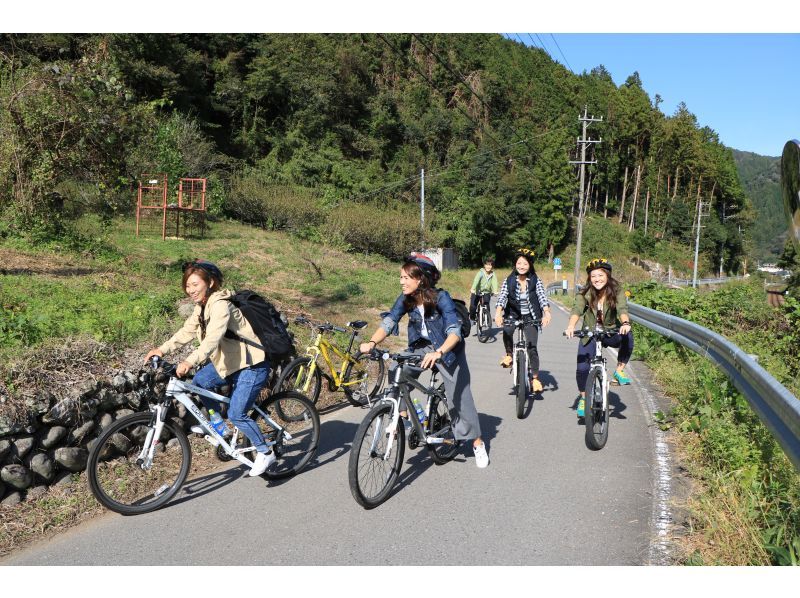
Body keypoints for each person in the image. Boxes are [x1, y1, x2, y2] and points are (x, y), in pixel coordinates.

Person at [144, 259, 275, 477]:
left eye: (195, 284)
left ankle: (265, 450)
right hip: (230, 363)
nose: (190, 290)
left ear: (211, 282)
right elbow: (185, 332)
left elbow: (213, 338)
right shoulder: (201, 307)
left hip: (252, 365)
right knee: (200, 382)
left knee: (237, 413)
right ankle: (217, 425)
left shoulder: (220, 304)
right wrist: (161, 349)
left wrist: (189, 361)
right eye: (187, 285)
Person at [359, 252, 489, 468]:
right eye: (401, 277)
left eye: (406, 278)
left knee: (459, 397)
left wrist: (439, 352)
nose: (401, 282)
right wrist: (372, 342)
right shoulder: (405, 299)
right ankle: (399, 418)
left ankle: (477, 442)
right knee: (397, 371)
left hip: (448, 349)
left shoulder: (441, 298)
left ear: (420, 279)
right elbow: (390, 321)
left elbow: (454, 331)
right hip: (421, 347)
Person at [564, 258, 634, 417]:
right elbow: (577, 310)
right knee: (582, 368)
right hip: (589, 333)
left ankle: (619, 371)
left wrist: (625, 323)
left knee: (627, 335)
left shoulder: (616, 290)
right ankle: (583, 398)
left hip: (609, 331)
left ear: (607, 276)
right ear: (590, 278)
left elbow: (622, 308)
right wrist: (570, 327)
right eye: (593, 276)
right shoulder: (585, 292)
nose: (597, 279)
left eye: (600, 275)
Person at [494, 248, 552, 393]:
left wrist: (546, 313)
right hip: (513, 313)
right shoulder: (509, 280)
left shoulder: (535, 280)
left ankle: (535, 378)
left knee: (532, 347)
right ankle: (509, 355)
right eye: (519, 263)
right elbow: (502, 297)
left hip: (531, 316)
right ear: (515, 264)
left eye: (525, 264)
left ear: (530, 266)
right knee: (507, 331)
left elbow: (542, 297)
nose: (521, 266)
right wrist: (498, 313)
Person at [469, 257, 499, 321]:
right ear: (484, 265)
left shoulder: (493, 274)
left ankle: (487, 319)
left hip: (486, 292)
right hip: (477, 292)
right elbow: (476, 280)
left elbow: (494, 282)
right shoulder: (481, 272)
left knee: (487, 305)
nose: (488, 266)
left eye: (490, 265)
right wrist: (473, 289)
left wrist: (495, 290)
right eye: (487, 264)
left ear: (492, 266)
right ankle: (472, 318)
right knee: (473, 307)